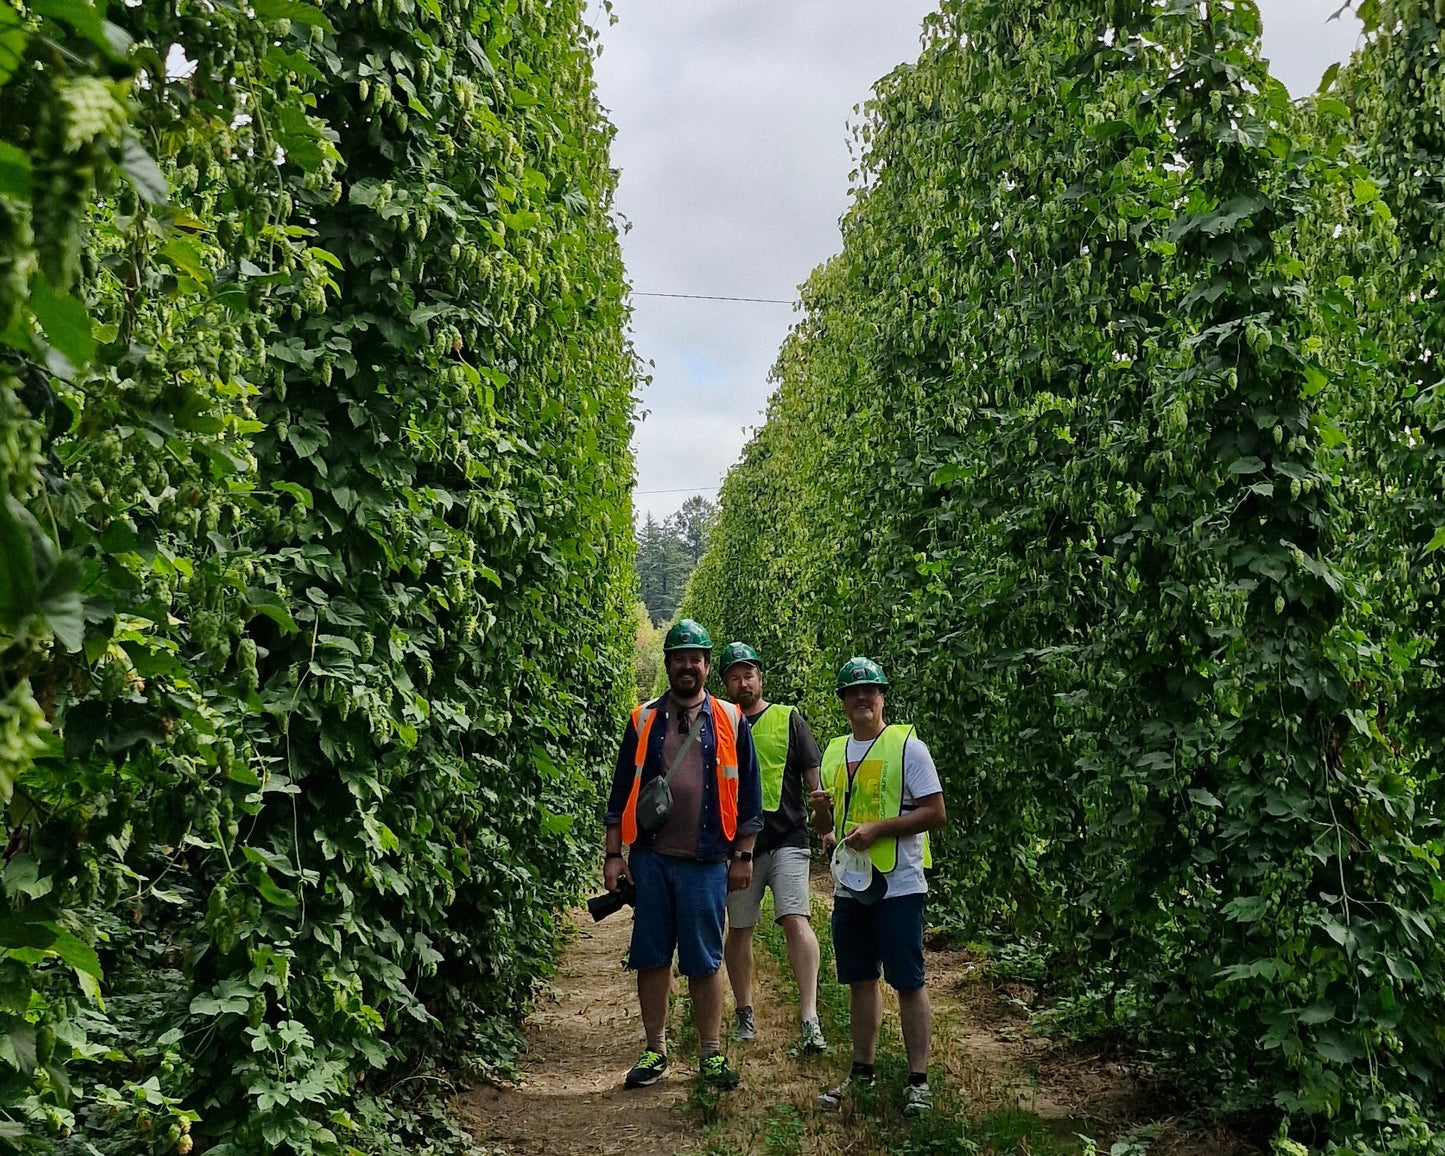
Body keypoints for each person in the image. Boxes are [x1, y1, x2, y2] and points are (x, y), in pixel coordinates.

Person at [602, 619, 763, 1092]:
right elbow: (620, 792)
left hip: (707, 861)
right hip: (651, 859)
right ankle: (655, 1050)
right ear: (669, 665)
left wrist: (744, 855)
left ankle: (710, 1054)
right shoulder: (643, 719)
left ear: (707, 666)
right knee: (651, 956)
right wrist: (615, 855)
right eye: (679, 658)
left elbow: (750, 792)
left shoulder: (731, 719)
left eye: (696, 658)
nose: (687, 666)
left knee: (704, 958)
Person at [809, 657, 947, 1117]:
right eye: (854, 691)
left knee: (908, 980)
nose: (863, 697)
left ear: (882, 697)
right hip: (851, 885)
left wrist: (879, 829)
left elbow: (935, 812)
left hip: (900, 884)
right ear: (844, 702)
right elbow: (827, 823)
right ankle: (862, 1072)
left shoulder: (908, 746)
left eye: (871, 690)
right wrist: (823, 818)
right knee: (860, 979)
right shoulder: (833, 752)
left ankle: (918, 1081)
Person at [717, 642, 827, 1053]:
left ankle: (809, 1016)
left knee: (795, 919)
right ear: (725, 682)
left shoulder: (787, 718)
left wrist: (825, 823)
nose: (743, 682)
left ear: (760, 678)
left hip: (786, 839)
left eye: (749, 674)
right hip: (736, 846)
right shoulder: (720, 722)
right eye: (734, 676)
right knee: (739, 929)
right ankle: (744, 1014)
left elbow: (813, 778)